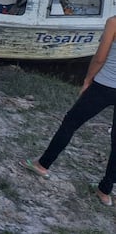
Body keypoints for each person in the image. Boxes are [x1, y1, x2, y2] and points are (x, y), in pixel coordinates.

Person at [21, 16, 116, 207]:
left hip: (104, 85)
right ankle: (105, 191)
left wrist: (88, 79)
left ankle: (43, 165)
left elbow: (100, 58)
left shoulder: (114, 22)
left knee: (71, 122)